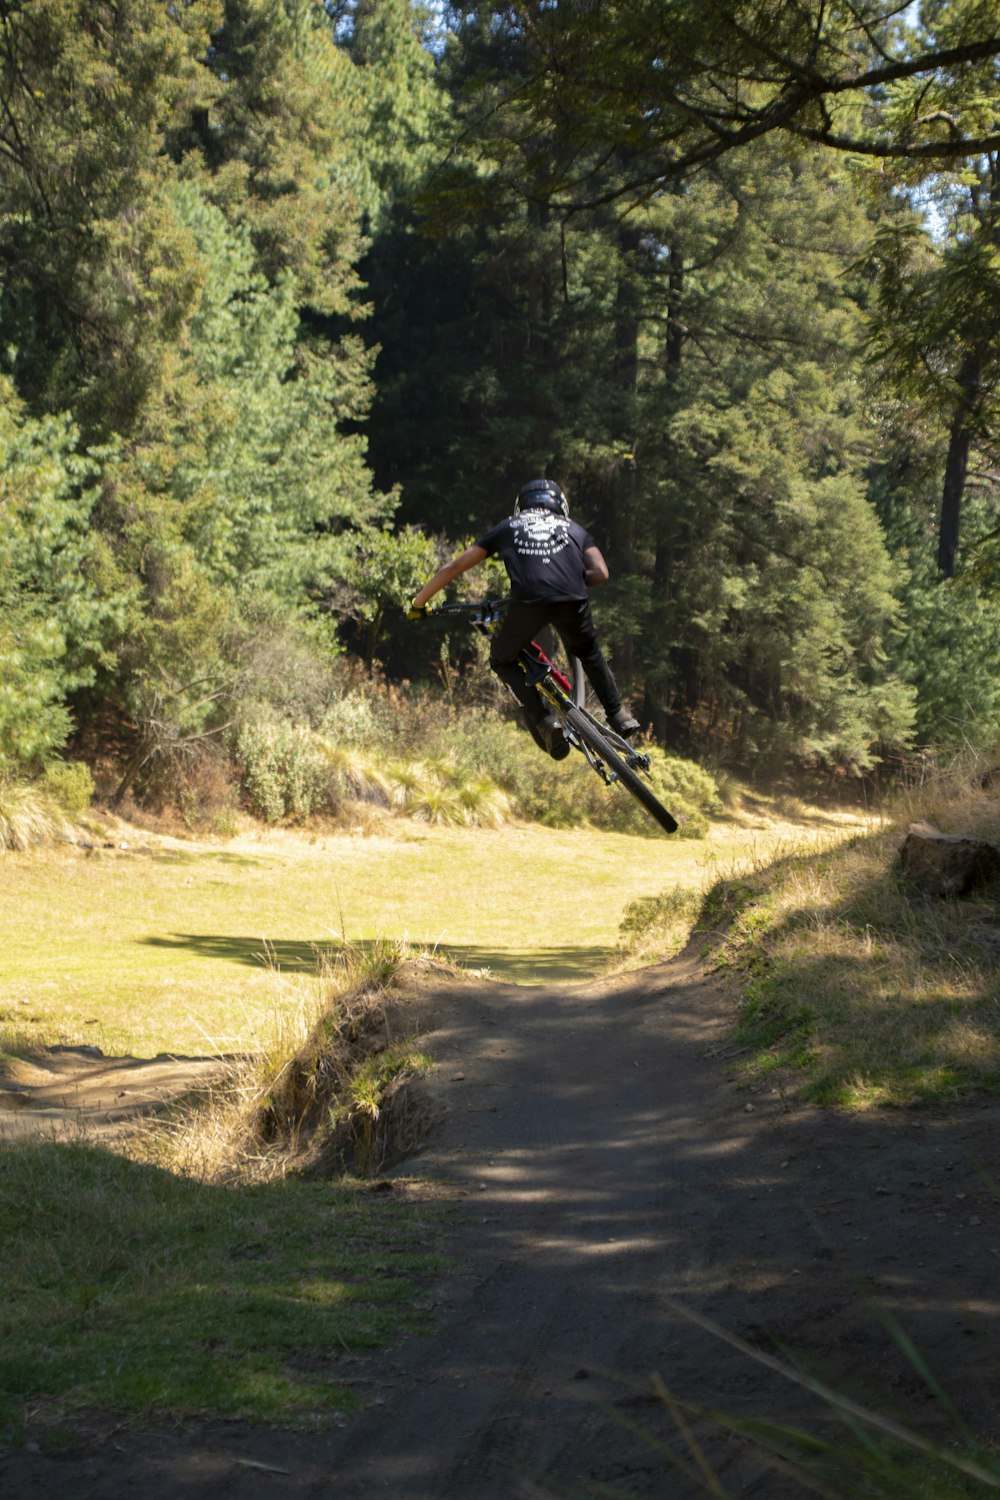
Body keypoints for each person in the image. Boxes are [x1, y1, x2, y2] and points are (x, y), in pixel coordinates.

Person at [410, 478, 640, 757]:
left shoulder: (508, 526)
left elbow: (455, 566)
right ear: (561, 506)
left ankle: (544, 721)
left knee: (502, 659)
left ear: (522, 506)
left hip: (529, 599)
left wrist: (419, 602)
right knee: (589, 652)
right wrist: (568, 579)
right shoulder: (575, 529)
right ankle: (618, 715)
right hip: (572, 598)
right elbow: (601, 573)